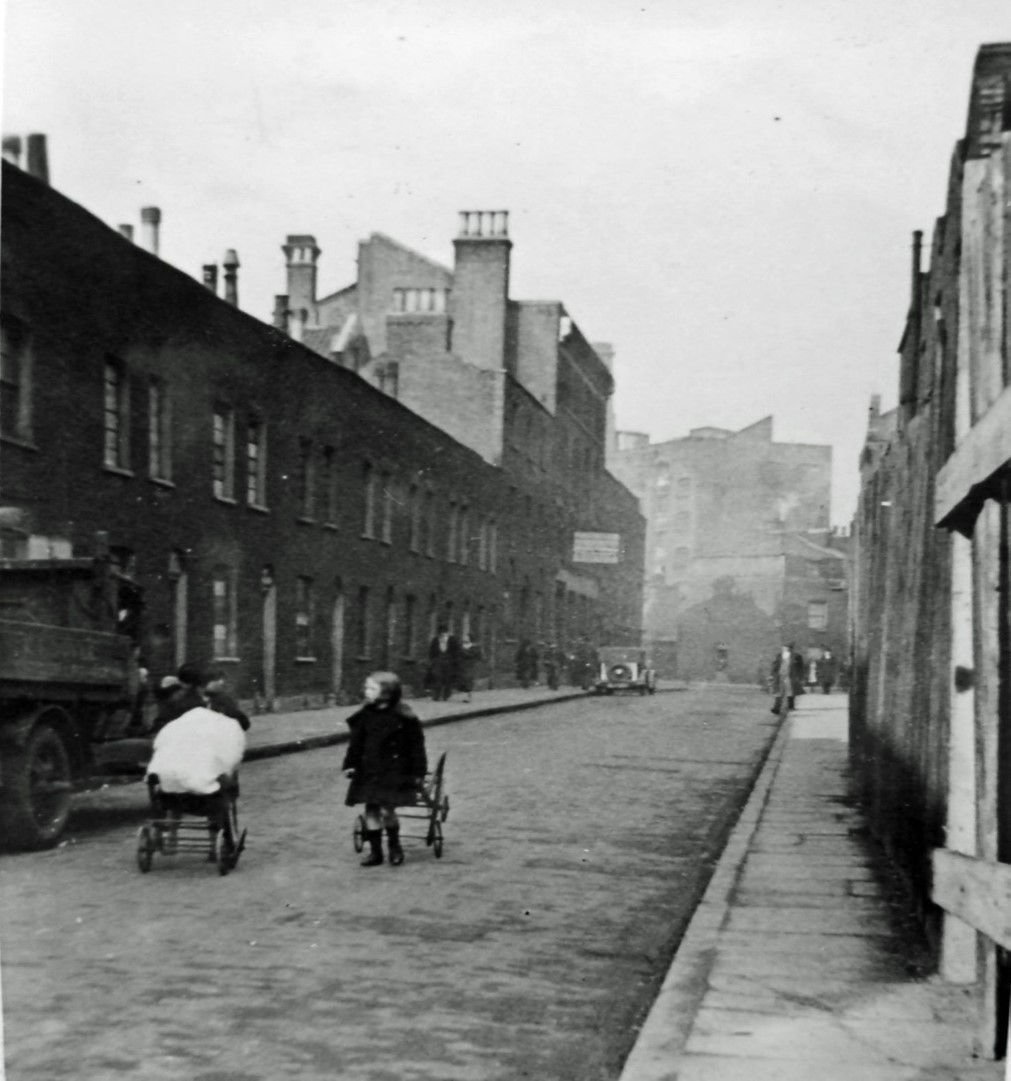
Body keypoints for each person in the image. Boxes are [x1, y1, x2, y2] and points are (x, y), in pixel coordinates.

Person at [343, 671, 427, 867]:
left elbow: (417, 748)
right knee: (371, 810)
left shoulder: (405, 717)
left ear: (387, 692)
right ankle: (375, 852)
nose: (367, 691)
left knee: (387, 810)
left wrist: (418, 773)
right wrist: (350, 764)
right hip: (369, 769)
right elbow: (356, 743)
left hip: (393, 771)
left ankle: (395, 846)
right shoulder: (365, 715)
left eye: (372, 688)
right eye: (367, 687)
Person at [427, 625, 460, 702]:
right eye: (441, 634)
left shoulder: (452, 640)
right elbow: (431, 651)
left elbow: (456, 651)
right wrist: (433, 660)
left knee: (447, 678)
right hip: (438, 661)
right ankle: (436, 696)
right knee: (437, 677)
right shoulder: (435, 640)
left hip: (449, 661)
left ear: (447, 633)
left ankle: (446, 695)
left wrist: (454, 660)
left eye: (444, 634)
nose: (442, 636)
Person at [770, 642, 805, 714]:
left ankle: (791, 706)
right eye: (784, 648)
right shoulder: (779, 656)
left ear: (791, 649)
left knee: (790, 691)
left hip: (791, 676)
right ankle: (776, 708)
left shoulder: (796, 656)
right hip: (780, 676)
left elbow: (801, 667)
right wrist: (772, 674)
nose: (785, 649)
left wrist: (800, 676)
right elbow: (775, 665)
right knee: (779, 692)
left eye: (787, 648)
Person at [458, 632, 482, 703]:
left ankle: (470, 698)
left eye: (466, 637)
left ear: (470, 638)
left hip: (470, 665)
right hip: (462, 665)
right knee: (463, 680)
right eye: (464, 637)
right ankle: (466, 695)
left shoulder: (474, 647)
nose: (464, 638)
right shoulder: (461, 645)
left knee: (469, 679)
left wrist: (474, 662)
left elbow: (477, 656)